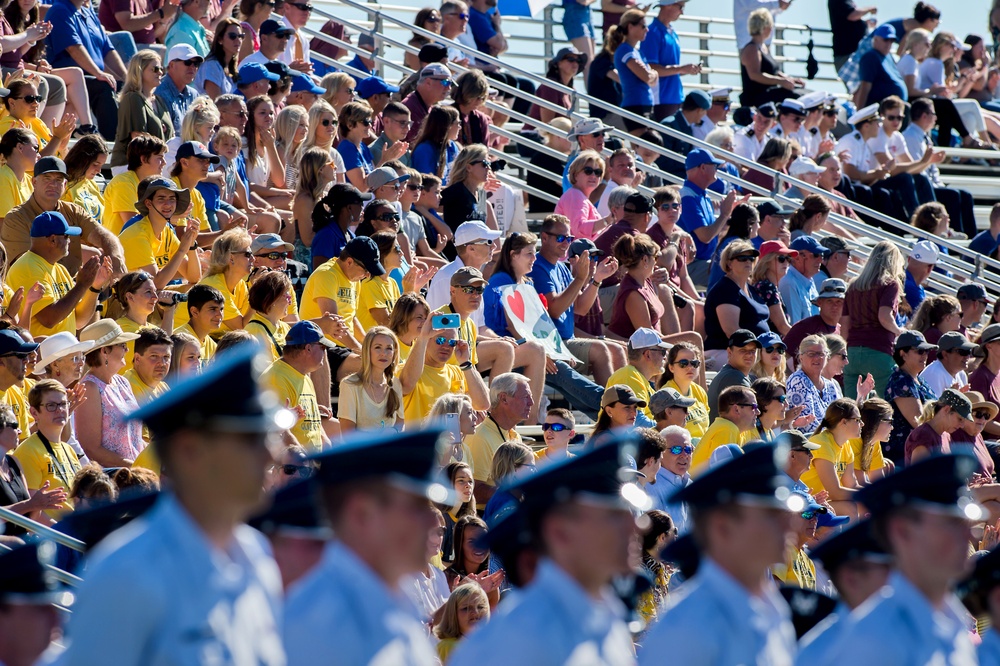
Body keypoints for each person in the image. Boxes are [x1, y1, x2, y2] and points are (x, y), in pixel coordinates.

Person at [58, 349, 287, 665]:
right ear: (189, 451)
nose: (272, 456)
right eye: (251, 440)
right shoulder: (127, 576)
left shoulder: (256, 557)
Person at [450, 443, 645, 666]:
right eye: (614, 517)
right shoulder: (519, 639)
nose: (637, 526)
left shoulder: (606, 616)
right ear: (561, 533)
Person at [639, 444, 796, 664]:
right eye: (771, 515)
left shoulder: (772, 608)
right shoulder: (689, 625)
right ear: (723, 527)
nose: (789, 524)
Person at [821, 454, 981, 665]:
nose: (971, 536)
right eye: (951, 523)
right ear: (902, 531)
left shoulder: (952, 621)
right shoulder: (873, 643)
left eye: (967, 525)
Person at [530, 214, 624, 386]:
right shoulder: (536, 266)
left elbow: (580, 308)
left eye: (569, 238)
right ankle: (613, 406)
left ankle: (627, 405)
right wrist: (580, 279)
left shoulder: (561, 268)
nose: (566, 243)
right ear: (544, 237)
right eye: (560, 238)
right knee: (602, 350)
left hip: (566, 341)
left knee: (618, 350)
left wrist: (597, 279)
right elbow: (555, 311)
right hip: (552, 345)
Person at [3, 156, 125, 276]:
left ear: (65, 184)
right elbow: (26, 267)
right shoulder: (16, 218)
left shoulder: (73, 211)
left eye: (58, 180)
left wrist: (115, 257)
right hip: (34, 289)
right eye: (47, 178)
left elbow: (103, 235)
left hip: (71, 287)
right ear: (34, 182)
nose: (53, 184)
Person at [6, 211, 111, 338]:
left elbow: (79, 321)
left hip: (63, 354)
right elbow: (49, 320)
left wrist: (94, 287)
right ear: (53, 240)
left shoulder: (60, 269)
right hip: (42, 355)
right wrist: (81, 285)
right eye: (66, 236)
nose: (70, 241)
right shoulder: (28, 267)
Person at [45, 0, 127, 141]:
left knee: (124, 89)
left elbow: (108, 50)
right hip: (69, 80)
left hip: (91, 76)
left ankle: (129, 140)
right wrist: (98, 73)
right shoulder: (59, 10)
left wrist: (128, 80)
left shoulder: (89, 13)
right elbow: (73, 47)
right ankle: (112, 142)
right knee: (104, 87)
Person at [74, 319, 143, 467]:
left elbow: (133, 438)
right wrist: (135, 467)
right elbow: (91, 449)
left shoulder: (122, 382)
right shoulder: (89, 388)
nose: (127, 350)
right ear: (104, 351)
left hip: (136, 475)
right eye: (122, 345)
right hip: (112, 481)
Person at [841, 240, 906, 398]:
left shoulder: (853, 286)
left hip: (853, 354)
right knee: (886, 408)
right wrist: (900, 332)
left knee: (851, 409)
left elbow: (844, 326)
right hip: (879, 352)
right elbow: (884, 316)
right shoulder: (890, 284)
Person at [261, 320, 332, 452]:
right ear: (308, 348)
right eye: (322, 347)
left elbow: (315, 427)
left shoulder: (304, 375)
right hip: (295, 468)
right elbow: (280, 432)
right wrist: (304, 462)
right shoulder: (276, 378)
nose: (325, 352)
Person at [119, 176, 201, 289]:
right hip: (126, 301)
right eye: (161, 199)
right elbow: (155, 285)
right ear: (148, 204)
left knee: (194, 289)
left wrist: (191, 244)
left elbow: (194, 278)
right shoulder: (138, 234)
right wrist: (182, 249)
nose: (168, 204)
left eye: (172, 199)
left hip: (145, 296)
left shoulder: (167, 231)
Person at [678, 149, 742, 287]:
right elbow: (705, 236)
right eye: (714, 165)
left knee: (742, 265)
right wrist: (724, 214)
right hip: (690, 265)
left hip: (703, 262)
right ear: (702, 167)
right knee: (735, 273)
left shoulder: (701, 194)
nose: (717, 169)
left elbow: (712, 235)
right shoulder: (687, 197)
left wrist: (729, 214)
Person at [704, 240, 769, 360]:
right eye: (742, 258)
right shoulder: (726, 289)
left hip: (754, 352)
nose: (748, 261)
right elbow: (731, 330)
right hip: (725, 351)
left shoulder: (750, 289)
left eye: (751, 257)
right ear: (729, 264)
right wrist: (758, 352)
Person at [111, 51, 174, 173]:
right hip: (130, 166)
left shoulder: (159, 101)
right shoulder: (133, 98)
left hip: (156, 164)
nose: (160, 72)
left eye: (161, 69)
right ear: (139, 70)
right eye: (155, 69)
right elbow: (138, 138)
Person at [883, 330, 938, 464]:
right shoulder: (901, 381)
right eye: (920, 351)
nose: (925, 355)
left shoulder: (919, 380)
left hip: (922, 448)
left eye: (927, 351)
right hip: (903, 456)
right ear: (903, 354)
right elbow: (919, 421)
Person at [641, 0, 701, 120]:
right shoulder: (652, 33)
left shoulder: (672, 33)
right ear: (668, 5)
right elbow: (650, 69)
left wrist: (686, 70)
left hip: (674, 98)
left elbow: (670, 70)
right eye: (680, 7)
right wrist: (682, 69)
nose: (682, 12)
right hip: (660, 100)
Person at [338, 326, 403, 433]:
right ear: (367, 351)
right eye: (378, 347)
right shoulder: (349, 384)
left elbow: (400, 426)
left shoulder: (396, 384)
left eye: (389, 348)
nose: (384, 353)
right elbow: (347, 434)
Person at [606, 327, 670, 426]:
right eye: (662, 352)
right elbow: (637, 422)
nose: (665, 356)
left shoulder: (637, 378)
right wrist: (668, 428)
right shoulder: (629, 375)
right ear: (648, 354)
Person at [690, 385, 761, 475]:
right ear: (736, 409)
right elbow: (722, 475)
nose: (758, 412)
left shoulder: (734, 429)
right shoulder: (727, 429)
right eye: (754, 407)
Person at [739, 8, 802, 108]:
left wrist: (790, 80)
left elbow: (773, 71)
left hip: (769, 94)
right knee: (797, 97)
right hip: (758, 98)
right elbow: (755, 75)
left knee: (802, 93)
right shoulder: (751, 48)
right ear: (765, 28)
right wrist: (780, 81)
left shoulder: (763, 47)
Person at [608, 9, 657, 132]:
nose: (647, 29)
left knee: (649, 147)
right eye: (643, 26)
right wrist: (652, 74)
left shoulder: (637, 52)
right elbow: (647, 76)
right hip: (635, 105)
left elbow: (652, 79)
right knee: (642, 147)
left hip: (644, 104)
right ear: (630, 26)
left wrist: (652, 74)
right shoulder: (625, 50)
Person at [786, 335, 842, 435]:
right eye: (811, 354)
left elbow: (841, 415)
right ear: (801, 357)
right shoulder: (798, 380)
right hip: (806, 442)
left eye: (821, 354)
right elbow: (809, 426)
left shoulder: (830, 385)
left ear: (827, 357)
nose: (817, 358)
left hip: (830, 440)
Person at [707, 329, 758, 419]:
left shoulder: (735, 374)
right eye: (743, 350)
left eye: (753, 351)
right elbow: (751, 418)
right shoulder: (733, 377)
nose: (749, 354)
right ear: (729, 352)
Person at [662, 342, 710, 437]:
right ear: (671, 368)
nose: (690, 367)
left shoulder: (699, 391)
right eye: (683, 363)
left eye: (694, 363)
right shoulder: (666, 395)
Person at [154, 45, 201, 138]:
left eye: (196, 64)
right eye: (188, 62)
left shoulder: (194, 94)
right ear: (171, 65)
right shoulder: (159, 93)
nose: (192, 67)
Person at [779, 235, 827, 326]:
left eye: (822, 255)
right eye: (816, 255)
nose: (821, 260)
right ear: (797, 258)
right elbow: (794, 328)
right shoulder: (789, 283)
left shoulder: (809, 281)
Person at [173, 283, 223, 367]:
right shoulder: (180, 340)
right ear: (194, 312)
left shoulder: (210, 343)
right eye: (213, 309)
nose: (219, 315)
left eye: (221, 309)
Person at [61, 134, 109, 222]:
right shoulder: (63, 184)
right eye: (95, 164)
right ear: (82, 159)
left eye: (101, 165)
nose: (99, 170)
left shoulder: (93, 185)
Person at [402, 64, 453, 144]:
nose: (449, 88)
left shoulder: (427, 105)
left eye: (450, 83)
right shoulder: (410, 108)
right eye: (445, 82)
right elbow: (414, 145)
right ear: (428, 83)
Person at [920, 331, 975, 398]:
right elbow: (931, 407)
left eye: (968, 351)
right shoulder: (933, 374)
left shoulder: (961, 374)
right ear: (945, 354)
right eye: (962, 352)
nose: (967, 356)